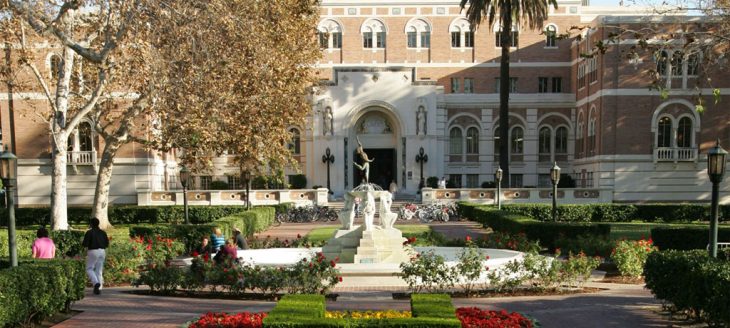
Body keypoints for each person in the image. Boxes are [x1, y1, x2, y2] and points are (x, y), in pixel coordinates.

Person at [82, 218, 109, 295]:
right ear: (98, 223)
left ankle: (96, 283)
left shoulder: (89, 232)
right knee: (99, 270)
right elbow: (107, 244)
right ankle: (99, 289)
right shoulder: (103, 232)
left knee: (89, 268)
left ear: (91, 224)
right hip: (102, 251)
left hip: (93, 251)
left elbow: (85, 244)